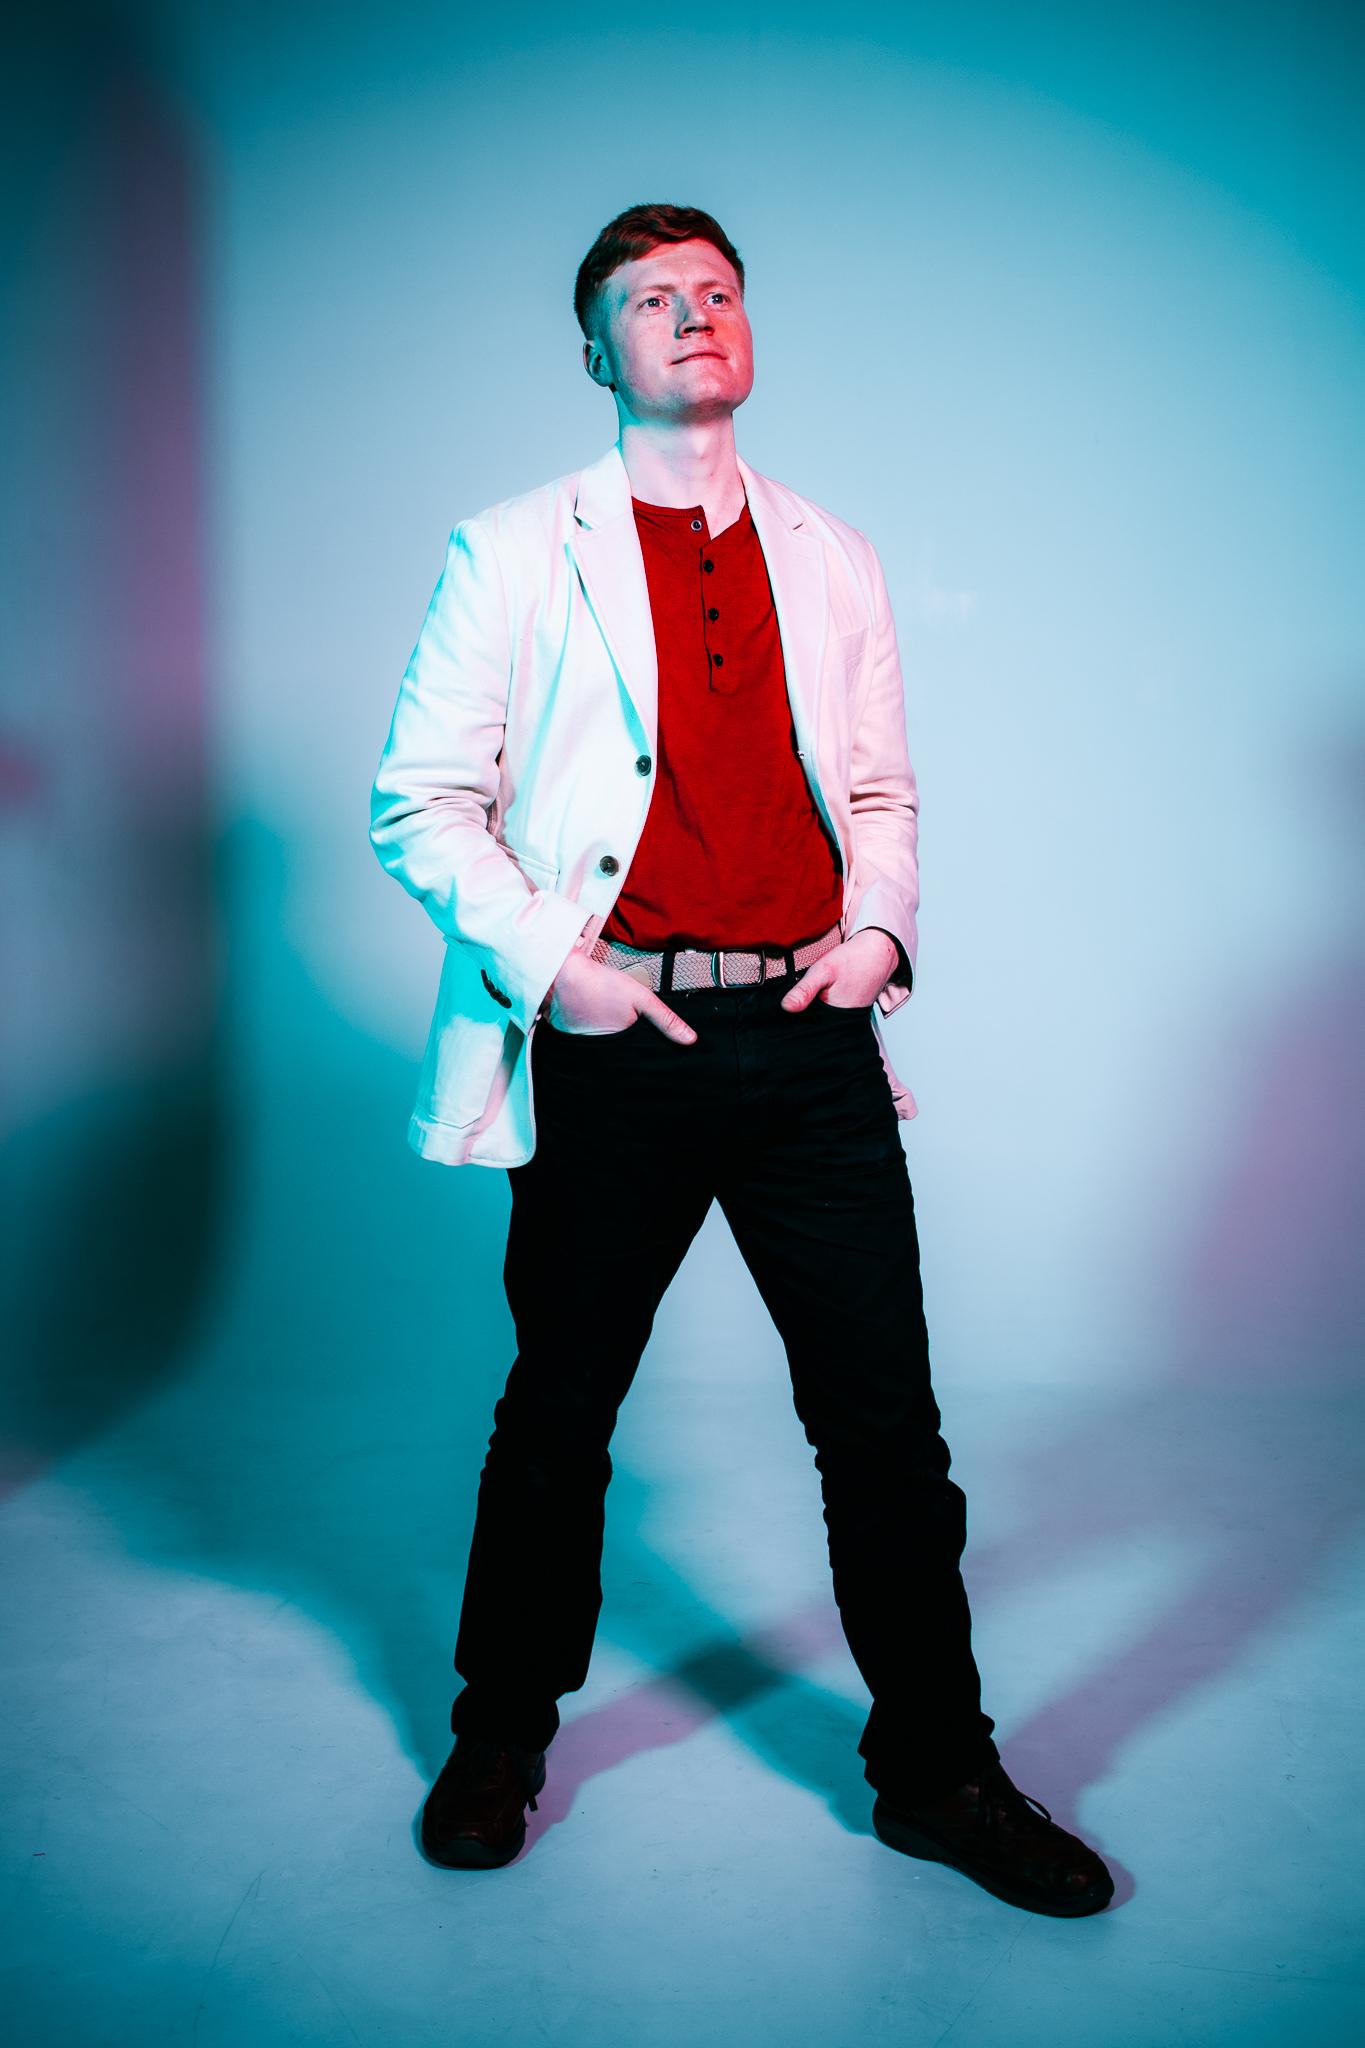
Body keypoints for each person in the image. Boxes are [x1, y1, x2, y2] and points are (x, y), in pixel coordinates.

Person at [371, 203, 1113, 1917]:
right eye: (652, 299)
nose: (694, 315)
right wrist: (560, 970)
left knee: (885, 1434)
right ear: (596, 351)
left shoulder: (831, 552)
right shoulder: (512, 549)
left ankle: (938, 1775)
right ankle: (498, 1739)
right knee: (558, 1416)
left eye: (716, 292)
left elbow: (882, 793)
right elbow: (420, 799)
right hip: (616, 1042)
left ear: (748, 331)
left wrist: (880, 936)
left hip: (806, 1038)